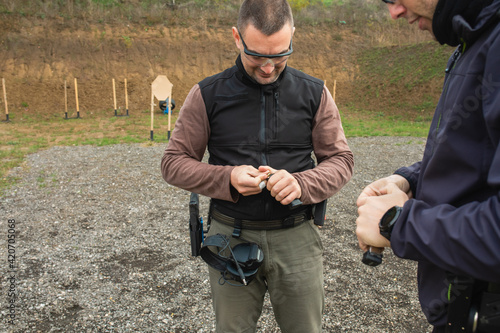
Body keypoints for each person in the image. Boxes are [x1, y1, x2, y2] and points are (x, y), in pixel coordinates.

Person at [161, 0, 353, 331]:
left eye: (279, 55)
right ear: (237, 38)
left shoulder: (314, 93)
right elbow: (173, 163)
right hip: (230, 239)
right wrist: (227, 177)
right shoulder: (207, 94)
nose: (267, 67)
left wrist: (302, 185)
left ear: (293, 35)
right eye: (256, 56)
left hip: (297, 239)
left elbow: (341, 160)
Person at [356, 0, 500, 332]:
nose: (393, 12)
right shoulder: (476, 40)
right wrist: (408, 180)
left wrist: (397, 222)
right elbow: (473, 158)